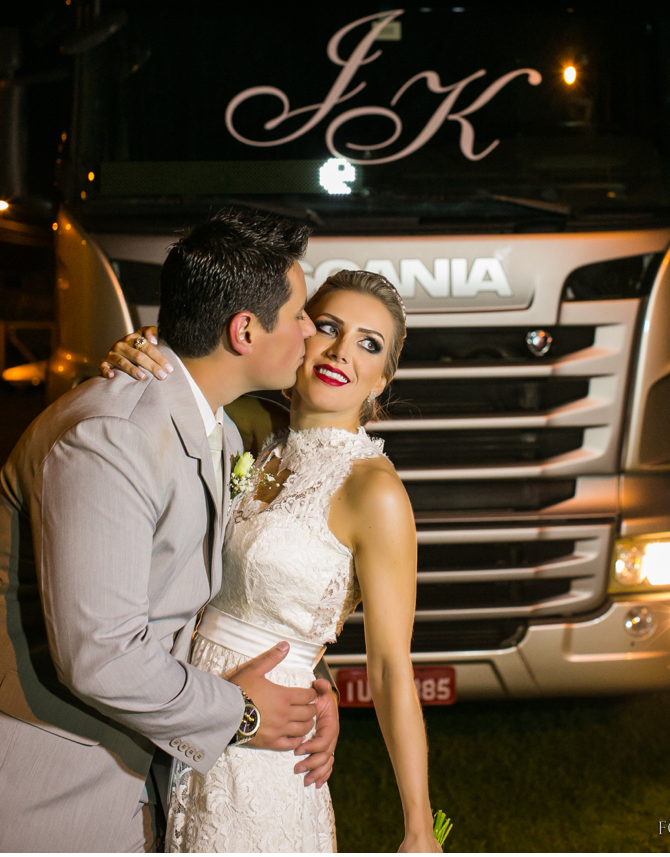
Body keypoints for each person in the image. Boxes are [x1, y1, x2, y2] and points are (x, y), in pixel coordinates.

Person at [0, 210, 339, 853]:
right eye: (298, 314)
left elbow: (222, 590)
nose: (308, 330)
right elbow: (101, 655)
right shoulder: (112, 438)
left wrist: (304, 689)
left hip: (151, 770)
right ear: (244, 330)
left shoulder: (222, 429)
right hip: (54, 779)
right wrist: (242, 714)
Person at [103, 269, 442, 854]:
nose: (341, 351)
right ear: (299, 333)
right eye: (329, 327)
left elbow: (390, 668)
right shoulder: (254, 431)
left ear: (382, 381)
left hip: (265, 752)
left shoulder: (375, 493)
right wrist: (141, 348)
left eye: (369, 344)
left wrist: (418, 828)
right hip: (184, 717)